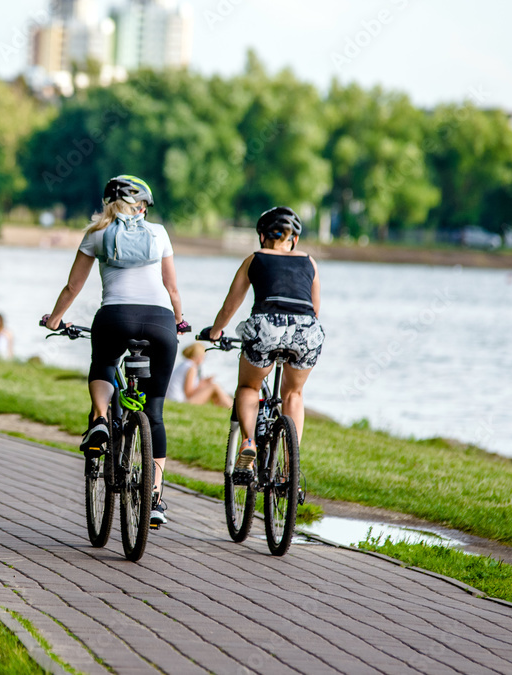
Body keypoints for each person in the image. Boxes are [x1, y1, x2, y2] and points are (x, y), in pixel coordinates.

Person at [43, 175, 188, 527]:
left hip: (115, 318)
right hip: (159, 323)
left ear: (108, 203)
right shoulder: (159, 234)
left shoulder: (96, 233)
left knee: (105, 363)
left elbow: (73, 285)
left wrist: (55, 319)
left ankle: (100, 418)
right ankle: (153, 497)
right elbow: (171, 288)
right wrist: (179, 321)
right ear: (142, 207)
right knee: (153, 412)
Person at [200, 206, 324, 474]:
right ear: (294, 239)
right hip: (306, 331)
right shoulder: (309, 262)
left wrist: (215, 332)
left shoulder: (254, 259)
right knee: (293, 393)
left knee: (247, 387)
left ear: (262, 236)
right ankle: (291, 464)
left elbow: (230, 306)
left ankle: (248, 442)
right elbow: (314, 310)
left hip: (266, 328)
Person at [167, 343, 232, 408]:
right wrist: (203, 384)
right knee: (214, 386)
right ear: (198, 356)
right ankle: (231, 407)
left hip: (174, 399)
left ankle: (229, 406)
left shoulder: (184, 364)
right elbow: (189, 393)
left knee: (213, 388)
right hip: (181, 402)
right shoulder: (192, 368)